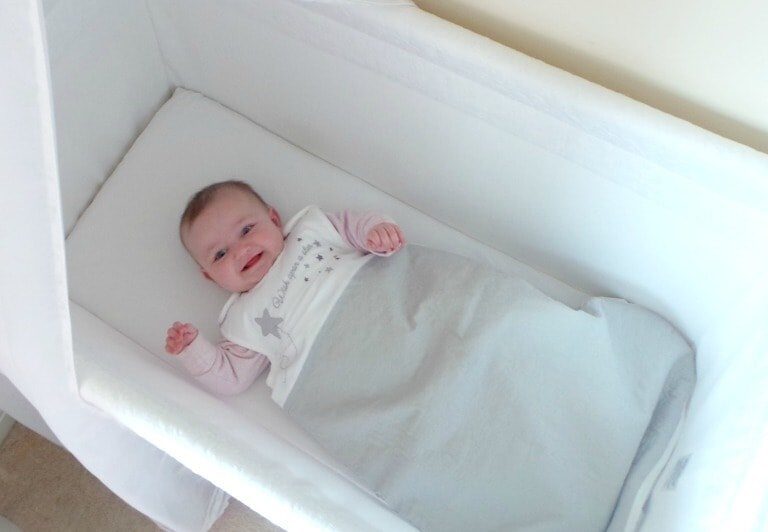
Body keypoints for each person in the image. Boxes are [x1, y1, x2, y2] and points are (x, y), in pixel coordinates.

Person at [164, 179, 405, 398]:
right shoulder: (245, 318)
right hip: (342, 366)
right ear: (210, 277)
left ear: (274, 220)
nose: (240, 251)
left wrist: (378, 233)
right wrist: (192, 350)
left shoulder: (310, 231)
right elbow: (231, 378)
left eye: (246, 230)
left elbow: (355, 227)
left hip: (382, 309)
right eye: (220, 254)